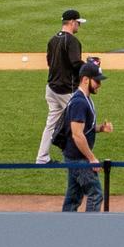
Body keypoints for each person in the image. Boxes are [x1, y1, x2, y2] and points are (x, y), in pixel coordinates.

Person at [56, 61, 112, 212]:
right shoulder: (80, 102)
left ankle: (65, 226)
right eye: (97, 80)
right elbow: (77, 134)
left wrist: (100, 128)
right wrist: (92, 159)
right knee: (96, 194)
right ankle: (89, 229)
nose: (99, 84)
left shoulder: (85, 99)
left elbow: (83, 127)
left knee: (74, 196)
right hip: (78, 157)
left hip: (74, 155)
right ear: (86, 79)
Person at [35, 10, 87, 165]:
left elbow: (50, 62)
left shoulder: (52, 40)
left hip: (51, 88)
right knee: (81, 122)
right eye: (78, 22)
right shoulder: (72, 41)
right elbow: (76, 64)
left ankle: (42, 158)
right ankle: (81, 157)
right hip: (67, 90)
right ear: (71, 22)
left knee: (51, 124)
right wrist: (89, 68)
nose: (79, 25)